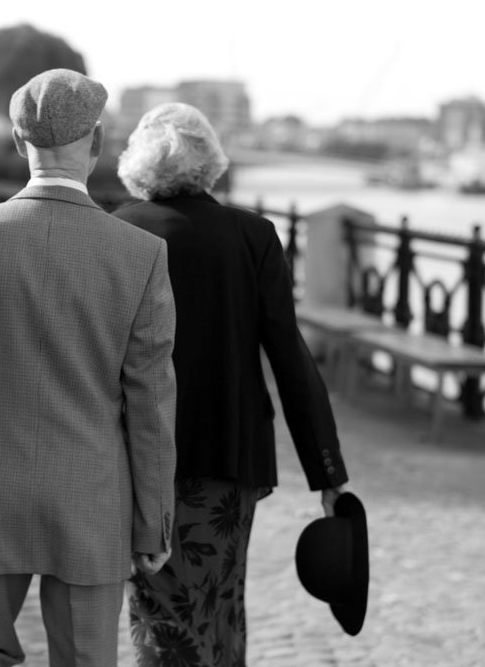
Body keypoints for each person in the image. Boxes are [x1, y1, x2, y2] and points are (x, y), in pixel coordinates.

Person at [0, 69, 178, 667]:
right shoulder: (140, 253)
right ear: (99, 142)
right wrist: (152, 520)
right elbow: (151, 402)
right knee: (83, 659)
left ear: (18, 142)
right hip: (91, 493)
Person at [111, 103, 351, 667]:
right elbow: (289, 357)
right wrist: (329, 473)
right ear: (212, 161)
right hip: (230, 459)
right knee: (222, 603)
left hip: (138, 456)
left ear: (137, 162)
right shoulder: (253, 235)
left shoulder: (115, 230)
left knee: (158, 612)